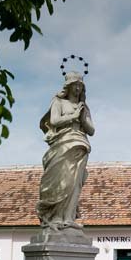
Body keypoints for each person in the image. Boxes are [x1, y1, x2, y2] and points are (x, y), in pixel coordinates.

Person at [36, 72, 95, 231]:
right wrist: (73, 116)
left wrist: (82, 119)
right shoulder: (58, 102)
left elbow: (91, 130)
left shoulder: (84, 107)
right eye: (74, 85)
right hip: (62, 143)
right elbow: (54, 120)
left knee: (74, 182)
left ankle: (69, 218)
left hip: (80, 143)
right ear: (67, 87)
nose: (77, 88)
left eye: (80, 86)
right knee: (60, 181)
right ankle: (55, 217)